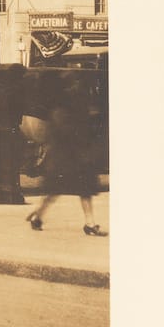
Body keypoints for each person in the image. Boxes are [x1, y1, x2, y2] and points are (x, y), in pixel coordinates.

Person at [26, 86, 106, 236]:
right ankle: (38, 216)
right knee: (60, 192)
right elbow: (69, 136)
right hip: (65, 160)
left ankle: (89, 223)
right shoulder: (62, 114)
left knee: (77, 191)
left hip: (69, 160)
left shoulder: (65, 113)